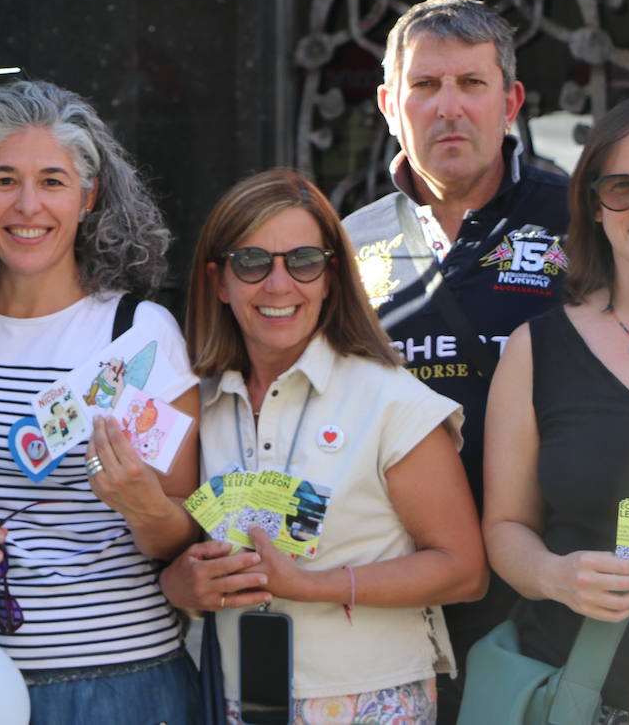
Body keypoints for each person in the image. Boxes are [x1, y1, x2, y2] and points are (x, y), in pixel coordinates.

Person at [0, 80, 203, 724]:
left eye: (53, 180)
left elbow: (184, 534)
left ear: (88, 196)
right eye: (4, 179)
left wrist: (142, 503)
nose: (28, 205)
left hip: (116, 685)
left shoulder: (138, 335)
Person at [164, 168, 487, 724]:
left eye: (304, 261)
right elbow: (174, 547)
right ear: (219, 281)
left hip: (371, 702)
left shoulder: (391, 401)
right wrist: (179, 583)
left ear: (332, 276)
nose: (278, 284)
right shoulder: (194, 405)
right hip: (226, 701)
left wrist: (312, 586)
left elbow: (464, 571)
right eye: (252, 262)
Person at [343, 0, 569, 719]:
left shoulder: (580, 223)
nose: (448, 108)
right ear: (388, 103)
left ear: (511, 101)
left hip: (546, 592)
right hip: (396, 596)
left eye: (471, 84)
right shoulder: (345, 245)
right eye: (424, 85)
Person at [482, 98, 629, 721]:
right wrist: (554, 576)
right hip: (582, 696)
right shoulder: (536, 349)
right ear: (596, 207)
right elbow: (505, 527)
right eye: (625, 187)